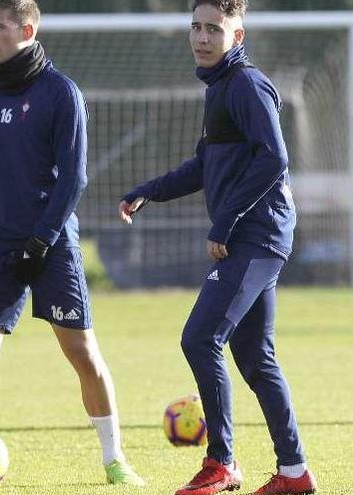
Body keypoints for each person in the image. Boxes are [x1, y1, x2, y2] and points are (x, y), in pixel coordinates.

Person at [0, 0, 144, 489]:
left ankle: (115, 459)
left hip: (51, 239)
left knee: (80, 350)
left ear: (27, 28)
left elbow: (75, 178)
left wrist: (40, 242)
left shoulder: (61, 93)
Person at [118, 1, 318, 494]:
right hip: (258, 235)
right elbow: (203, 165)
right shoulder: (220, 88)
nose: (202, 37)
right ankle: (294, 473)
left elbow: (274, 159)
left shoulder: (246, 85)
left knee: (200, 337)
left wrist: (225, 224)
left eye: (214, 29)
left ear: (237, 34)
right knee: (255, 357)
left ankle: (222, 463)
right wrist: (150, 190)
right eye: (196, 27)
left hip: (258, 235)